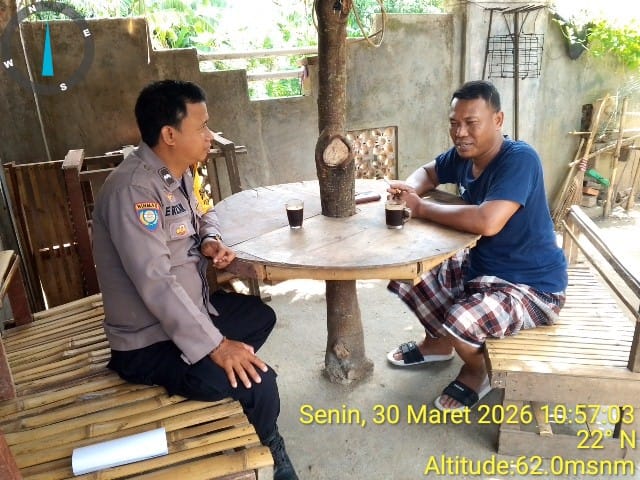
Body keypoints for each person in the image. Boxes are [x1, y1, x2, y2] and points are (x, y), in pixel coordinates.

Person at [91, 79, 298, 480]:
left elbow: (204, 213)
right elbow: (155, 282)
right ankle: (270, 444)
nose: (210, 135)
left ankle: (211, 375)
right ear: (170, 134)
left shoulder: (178, 173)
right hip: (149, 341)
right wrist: (217, 346)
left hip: (191, 313)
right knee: (261, 383)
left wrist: (209, 239)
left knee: (259, 317)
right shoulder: (133, 192)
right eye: (201, 126)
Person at [385, 80, 567, 412]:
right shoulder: (463, 156)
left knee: (461, 320)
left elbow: (488, 221)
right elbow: (428, 172)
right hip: (481, 269)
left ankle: (477, 369)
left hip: (531, 286)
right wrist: (408, 190)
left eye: (471, 123)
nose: (460, 133)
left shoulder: (520, 159)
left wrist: (421, 208)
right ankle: (438, 343)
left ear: (498, 120)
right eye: (454, 123)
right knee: (409, 268)